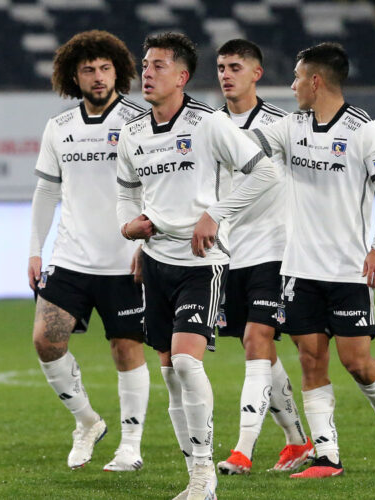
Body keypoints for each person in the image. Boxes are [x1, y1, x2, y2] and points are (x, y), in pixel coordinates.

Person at [117, 32, 279, 500]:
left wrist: (216, 214)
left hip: (201, 262)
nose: (147, 72)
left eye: (159, 65)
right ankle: (195, 473)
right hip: (156, 262)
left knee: (187, 363)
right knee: (169, 371)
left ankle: (204, 475)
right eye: (145, 65)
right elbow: (126, 192)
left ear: (182, 77)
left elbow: (264, 172)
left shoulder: (208, 124)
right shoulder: (132, 133)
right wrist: (128, 226)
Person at [249, 42, 375, 478]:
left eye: (298, 77)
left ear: (316, 81)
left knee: (356, 361)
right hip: (298, 268)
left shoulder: (363, 129)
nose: (293, 85)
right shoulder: (291, 126)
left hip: (348, 268)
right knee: (311, 360)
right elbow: (247, 146)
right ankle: (328, 456)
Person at [28, 30, 149, 472]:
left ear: (118, 70)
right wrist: (35, 251)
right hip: (72, 258)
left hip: (125, 259)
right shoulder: (59, 127)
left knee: (126, 349)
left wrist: (149, 244)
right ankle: (87, 421)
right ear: (72, 77)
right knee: (46, 340)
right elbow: (45, 190)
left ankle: (130, 445)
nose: (97, 77)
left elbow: (157, 187)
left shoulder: (140, 121)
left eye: (104, 68)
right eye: (88, 70)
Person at [212, 39, 311, 476]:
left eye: (235, 66)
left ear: (257, 73)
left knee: (257, 341)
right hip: (228, 255)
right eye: (220, 67)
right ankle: (296, 441)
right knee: (260, 350)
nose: (226, 74)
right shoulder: (207, 125)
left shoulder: (283, 125)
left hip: (275, 250)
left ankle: (243, 449)